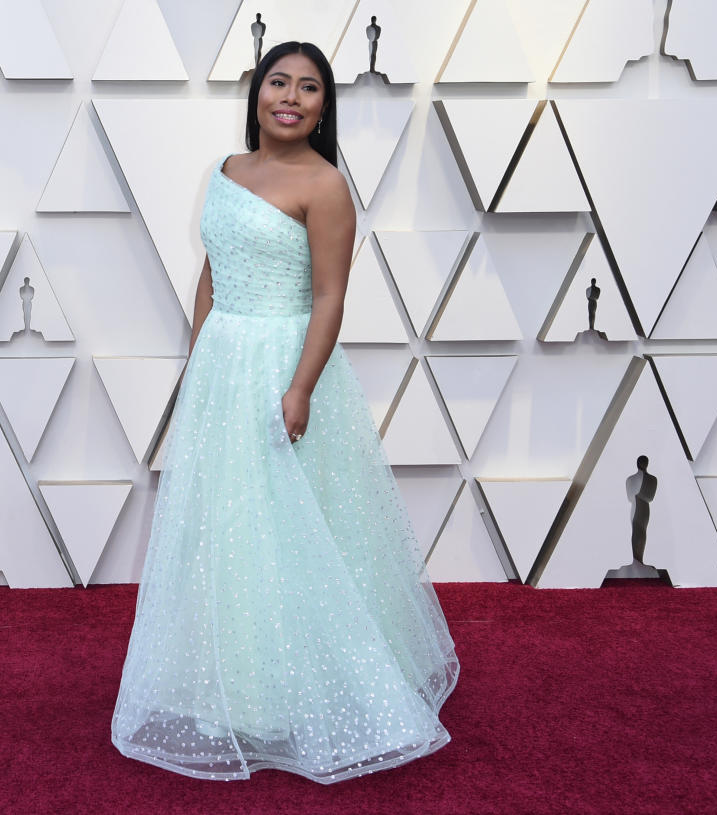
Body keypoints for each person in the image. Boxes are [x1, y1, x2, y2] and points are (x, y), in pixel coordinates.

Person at [110, 41, 459, 784]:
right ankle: (236, 682)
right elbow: (212, 268)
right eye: (278, 82)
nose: (290, 97)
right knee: (228, 523)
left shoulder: (327, 186)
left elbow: (331, 297)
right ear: (257, 92)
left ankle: (293, 689)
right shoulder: (227, 173)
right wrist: (201, 355)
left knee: (290, 525)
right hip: (224, 364)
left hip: (284, 364)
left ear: (324, 107)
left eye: (308, 88)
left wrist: (299, 386)